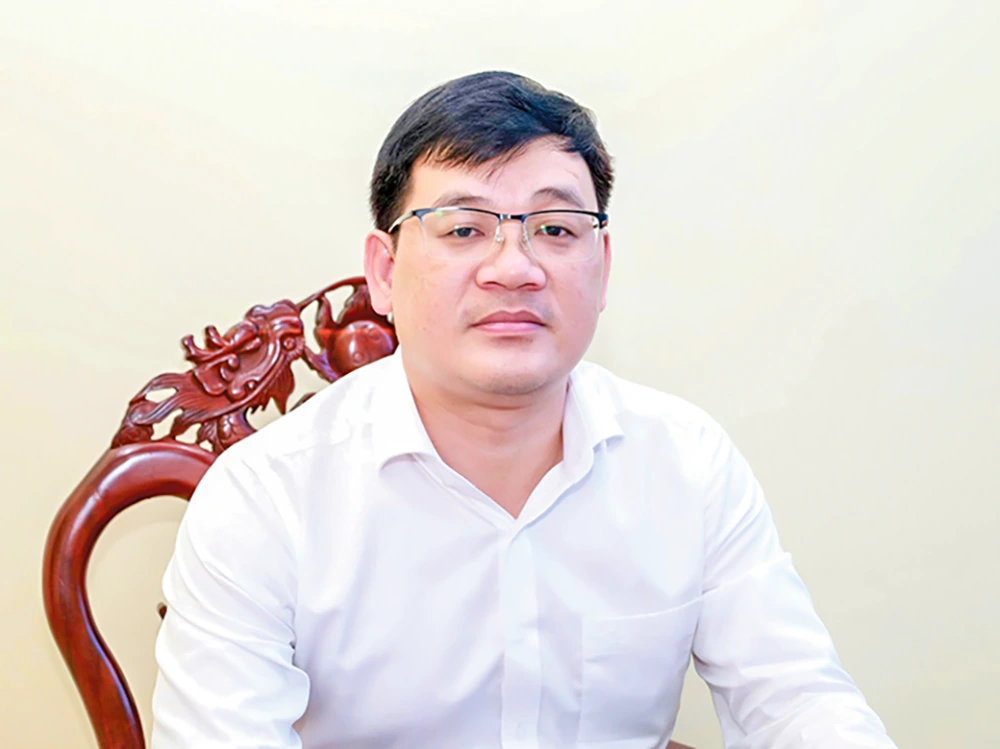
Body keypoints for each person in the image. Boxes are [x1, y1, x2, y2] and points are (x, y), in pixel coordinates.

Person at [151, 71, 896, 748]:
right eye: (463, 229)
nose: (514, 268)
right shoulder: (264, 498)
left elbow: (796, 702)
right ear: (384, 271)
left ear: (602, 267)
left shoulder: (687, 462)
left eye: (556, 229)